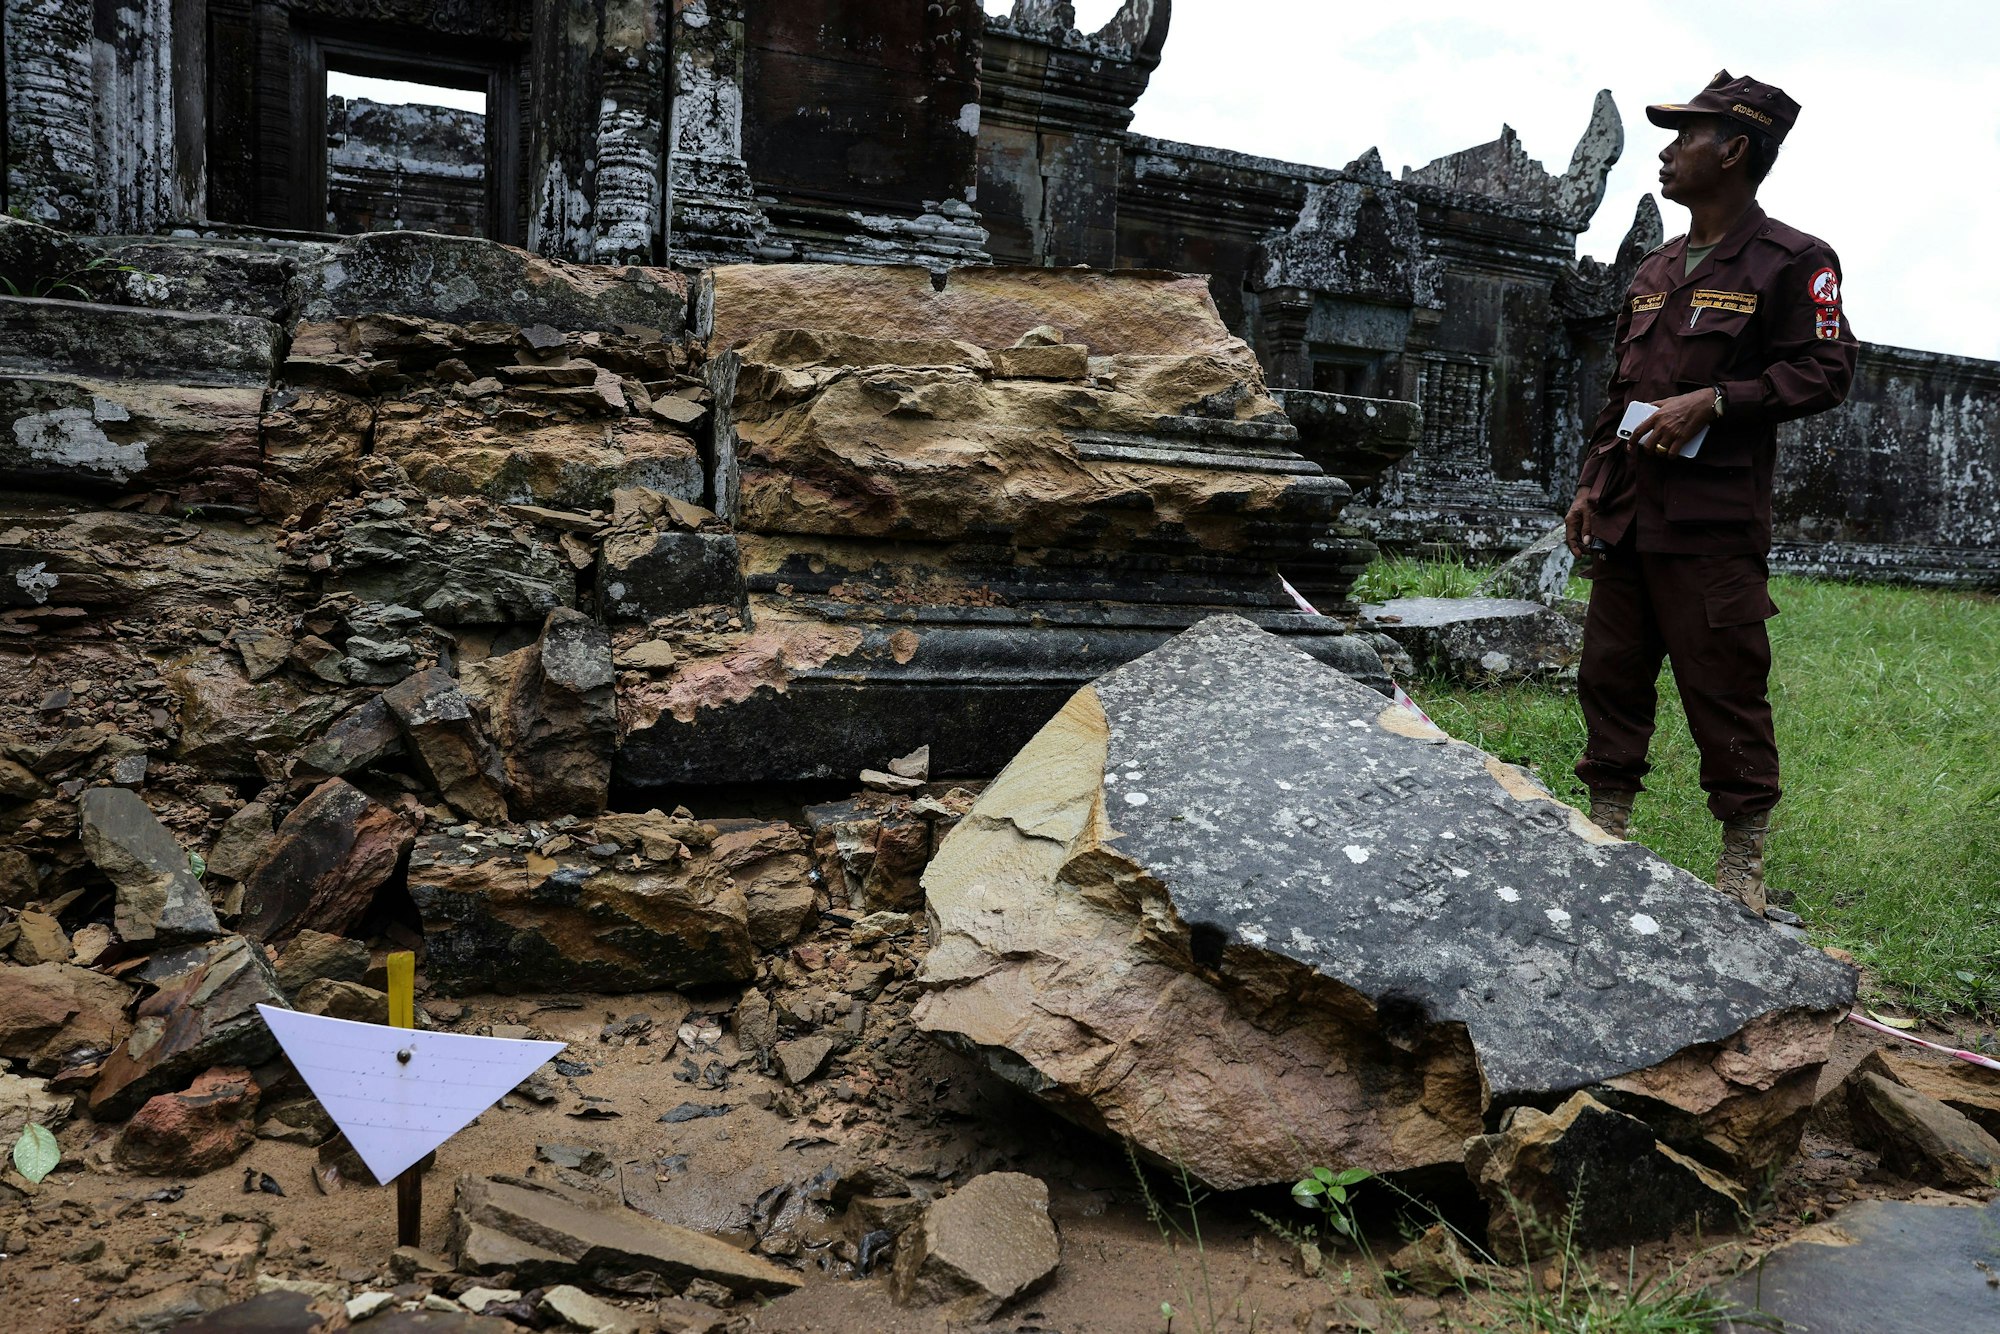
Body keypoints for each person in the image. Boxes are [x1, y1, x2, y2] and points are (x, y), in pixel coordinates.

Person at [1564, 71, 1857, 916]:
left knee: (1724, 684)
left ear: (1733, 150)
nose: (1667, 151)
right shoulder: (1654, 268)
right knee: (1609, 673)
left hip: (1712, 523)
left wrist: (1720, 400)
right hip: (1627, 512)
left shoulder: (1794, 260)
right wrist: (1588, 485)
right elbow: (1621, 393)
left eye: (1686, 137)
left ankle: (1742, 857)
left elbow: (1827, 370)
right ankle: (1606, 825)